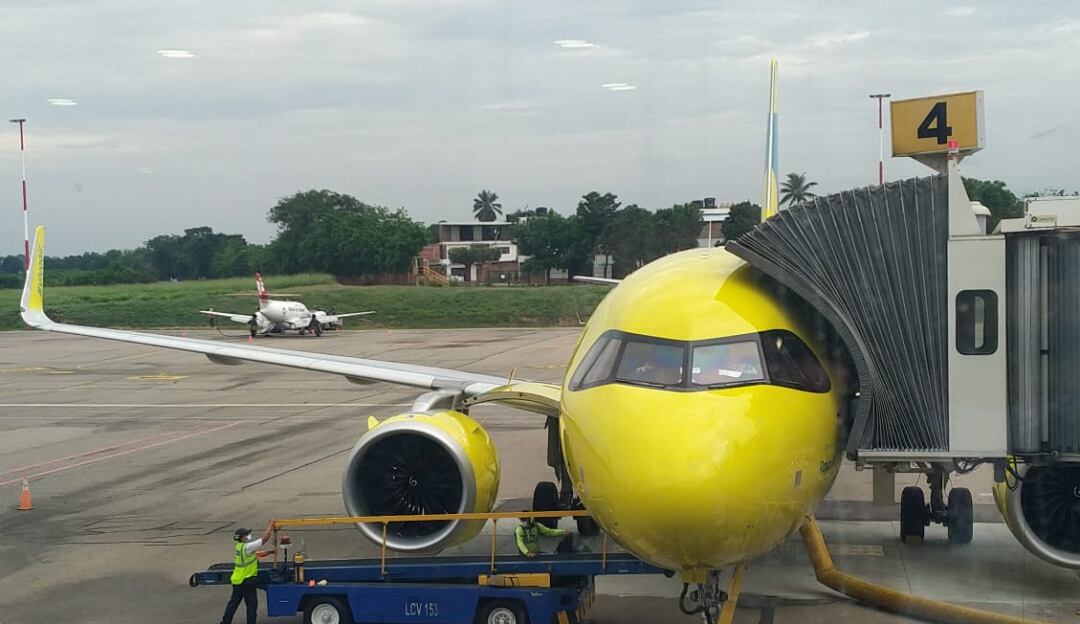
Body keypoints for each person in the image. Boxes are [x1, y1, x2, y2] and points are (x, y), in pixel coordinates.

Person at [220, 521, 273, 624]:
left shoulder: (239, 547)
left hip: (237, 580)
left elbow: (253, 555)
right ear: (243, 537)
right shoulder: (247, 547)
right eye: (247, 534)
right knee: (252, 605)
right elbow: (264, 539)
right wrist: (270, 526)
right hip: (247, 580)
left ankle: (225, 622)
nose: (249, 536)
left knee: (233, 603)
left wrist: (269, 552)